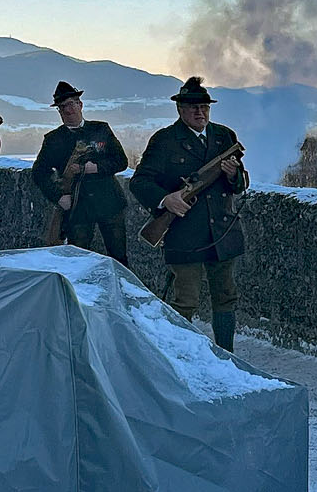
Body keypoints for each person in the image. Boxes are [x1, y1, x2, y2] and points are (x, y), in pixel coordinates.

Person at [129, 76, 248, 350]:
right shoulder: (164, 140)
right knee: (185, 301)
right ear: (180, 110)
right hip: (184, 233)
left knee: (226, 296)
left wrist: (233, 176)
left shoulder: (224, 137)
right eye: (193, 107)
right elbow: (140, 182)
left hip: (221, 230)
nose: (200, 112)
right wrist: (165, 200)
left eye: (204, 106)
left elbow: (240, 185)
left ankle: (226, 355)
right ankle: (181, 356)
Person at [31, 81, 130, 263]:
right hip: (78, 207)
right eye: (62, 107)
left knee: (119, 259)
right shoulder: (53, 140)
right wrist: (58, 196)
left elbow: (121, 161)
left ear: (80, 105)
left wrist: (97, 168)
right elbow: (39, 173)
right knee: (78, 261)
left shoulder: (101, 129)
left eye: (71, 104)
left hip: (109, 202)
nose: (67, 110)